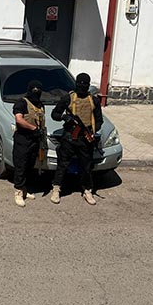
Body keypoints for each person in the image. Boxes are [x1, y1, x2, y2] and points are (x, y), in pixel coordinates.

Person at [50, 72, 103, 206]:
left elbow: (99, 120)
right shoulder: (68, 98)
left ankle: (87, 190)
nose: (82, 87)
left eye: (84, 85)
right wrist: (64, 117)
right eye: (80, 84)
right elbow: (54, 114)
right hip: (69, 137)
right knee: (63, 164)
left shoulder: (93, 100)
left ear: (88, 86)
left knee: (86, 166)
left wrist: (92, 132)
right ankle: (56, 189)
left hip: (85, 138)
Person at [11, 80, 45, 207]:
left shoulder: (40, 105)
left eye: (38, 91)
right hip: (23, 139)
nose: (36, 93)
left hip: (35, 140)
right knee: (21, 165)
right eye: (34, 91)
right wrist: (33, 128)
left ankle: (25, 189)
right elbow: (19, 119)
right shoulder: (21, 103)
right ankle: (18, 192)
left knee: (30, 166)